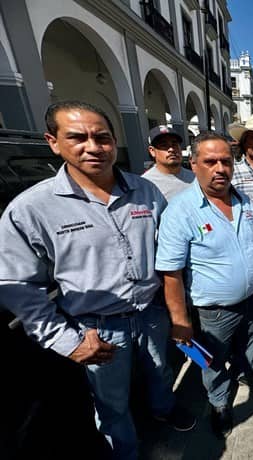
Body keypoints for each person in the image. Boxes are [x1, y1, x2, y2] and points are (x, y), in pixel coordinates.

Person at [0, 100, 194, 460]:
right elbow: (17, 286)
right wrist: (66, 341)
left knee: (160, 374)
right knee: (111, 404)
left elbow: (170, 252)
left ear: (114, 141)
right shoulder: (32, 208)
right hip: (96, 327)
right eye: (77, 137)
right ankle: (125, 451)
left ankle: (164, 409)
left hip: (151, 314)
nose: (93, 147)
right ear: (53, 142)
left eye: (102, 137)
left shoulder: (145, 192)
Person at [155, 132, 253, 439]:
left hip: (251, 300)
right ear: (194, 164)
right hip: (213, 312)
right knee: (212, 361)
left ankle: (247, 374)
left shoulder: (242, 200)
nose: (220, 168)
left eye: (226, 161)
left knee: (250, 344)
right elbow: (171, 273)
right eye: (210, 161)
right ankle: (219, 403)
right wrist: (180, 322)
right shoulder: (180, 211)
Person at [142, 125, 195, 200]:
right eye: (164, 145)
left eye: (174, 144)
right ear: (152, 151)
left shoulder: (195, 178)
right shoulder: (146, 183)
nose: (171, 149)